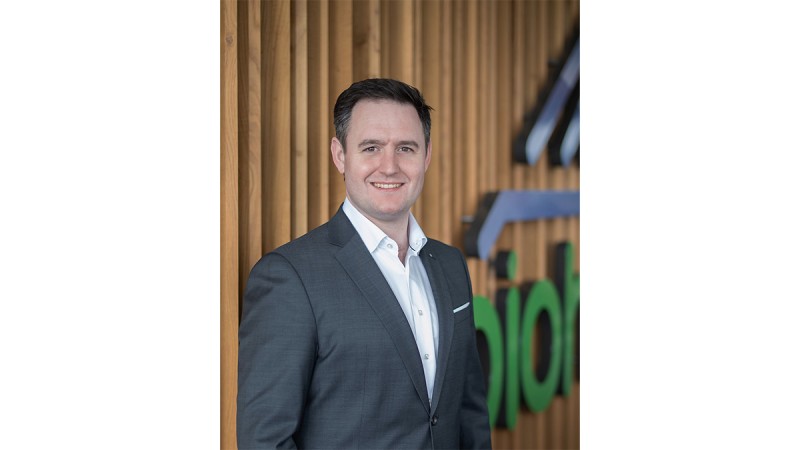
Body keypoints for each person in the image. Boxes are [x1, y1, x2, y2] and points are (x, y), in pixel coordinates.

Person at [237, 78, 492, 449]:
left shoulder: (450, 265)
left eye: (406, 148)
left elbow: (469, 415)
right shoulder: (290, 278)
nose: (389, 166)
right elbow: (265, 440)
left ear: (427, 155)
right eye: (371, 147)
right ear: (340, 155)